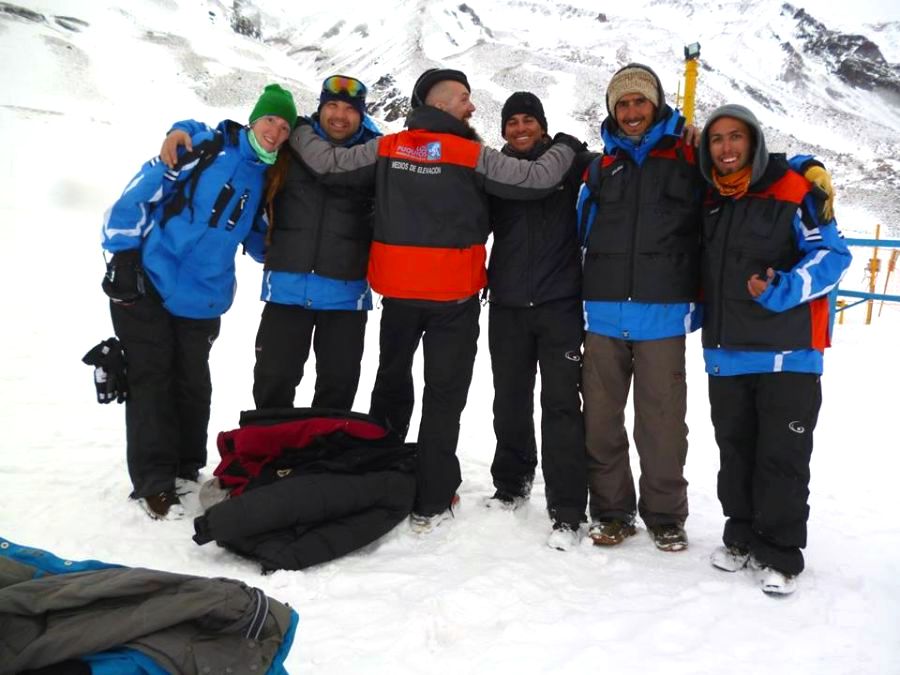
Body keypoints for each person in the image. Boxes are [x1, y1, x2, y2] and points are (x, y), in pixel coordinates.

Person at [291, 67, 585, 538]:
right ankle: (431, 495)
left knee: (390, 385)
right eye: (465, 98)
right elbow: (534, 179)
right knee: (443, 397)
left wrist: (299, 127)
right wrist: (569, 145)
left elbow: (328, 164)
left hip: (400, 295)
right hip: (454, 299)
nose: (472, 107)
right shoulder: (471, 154)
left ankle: (381, 476)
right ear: (444, 104)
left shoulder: (389, 147)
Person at [101, 84, 296, 520]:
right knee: (153, 379)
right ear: (254, 119)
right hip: (149, 279)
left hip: (204, 296)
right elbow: (142, 191)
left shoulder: (267, 177)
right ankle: (153, 482)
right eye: (270, 121)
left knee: (193, 383)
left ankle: (186, 469)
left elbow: (258, 241)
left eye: (284, 127)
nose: (276, 132)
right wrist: (123, 255)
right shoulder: (206, 147)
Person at [697, 104, 850, 595]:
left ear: (754, 141)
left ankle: (780, 552)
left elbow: (832, 254)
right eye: (716, 139)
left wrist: (783, 287)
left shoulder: (794, 190)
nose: (726, 148)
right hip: (727, 353)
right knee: (735, 452)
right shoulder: (711, 197)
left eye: (735, 137)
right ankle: (740, 535)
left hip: (788, 356)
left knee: (781, 457)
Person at [161, 76, 381, 412]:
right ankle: (271, 455)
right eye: (332, 105)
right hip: (286, 289)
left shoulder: (375, 158)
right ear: (320, 107)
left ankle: (324, 461)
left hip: (346, 296)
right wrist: (182, 128)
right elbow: (233, 140)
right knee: (273, 382)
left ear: (361, 115)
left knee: (338, 388)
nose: (340, 115)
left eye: (350, 109)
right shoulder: (290, 146)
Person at [576, 64, 704, 552]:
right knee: (601, 422)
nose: (631, 112)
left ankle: (666, 515)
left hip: (662, 316)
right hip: (604, 315)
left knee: (663, 424)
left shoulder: (688, 158)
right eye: (622, 104)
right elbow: (580, 232)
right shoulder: (601, 168)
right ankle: (611, 511)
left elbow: (742, 165)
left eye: (639, 102)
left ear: (656, 105)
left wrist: (800, 167)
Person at [484, 92, 595, 550]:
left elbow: (617, 166)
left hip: (559, 304)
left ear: (543, 125)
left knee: (562, 406)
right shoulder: (495, 172)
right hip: (508, 305)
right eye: (511, 122)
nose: (519, 128)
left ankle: (568, 509)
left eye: (528, 120)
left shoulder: (569, 164)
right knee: (508, 400)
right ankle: (512, 482)